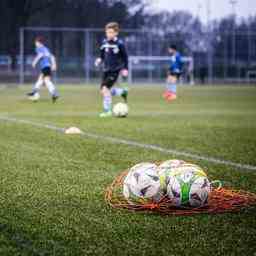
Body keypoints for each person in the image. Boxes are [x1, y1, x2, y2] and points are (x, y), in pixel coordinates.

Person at [95, 22, 129, 117]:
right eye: (107, 32)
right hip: (106, 70)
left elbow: (125, 57)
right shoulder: (104, 43)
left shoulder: (119, 44)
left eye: (111, 32)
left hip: (115, 70)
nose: (109, 34)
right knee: (103, 91)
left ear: (116, 33)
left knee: (105, 89)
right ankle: (122, 92)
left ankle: (108, 111)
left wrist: (125, 68)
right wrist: (99, 60)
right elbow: (101, 56)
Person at [27, 36, 59, 103]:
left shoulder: (39, 48)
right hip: (48, 67)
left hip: (45, 67)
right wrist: (54, 64)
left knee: (42, 79)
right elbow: (52, 57)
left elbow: (40, 55)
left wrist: (34, 62)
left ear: (39, 43)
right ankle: (54, 94)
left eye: (36, 43)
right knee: (46, 81)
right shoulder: (46, 49)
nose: (35, 44)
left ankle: (34, 92)